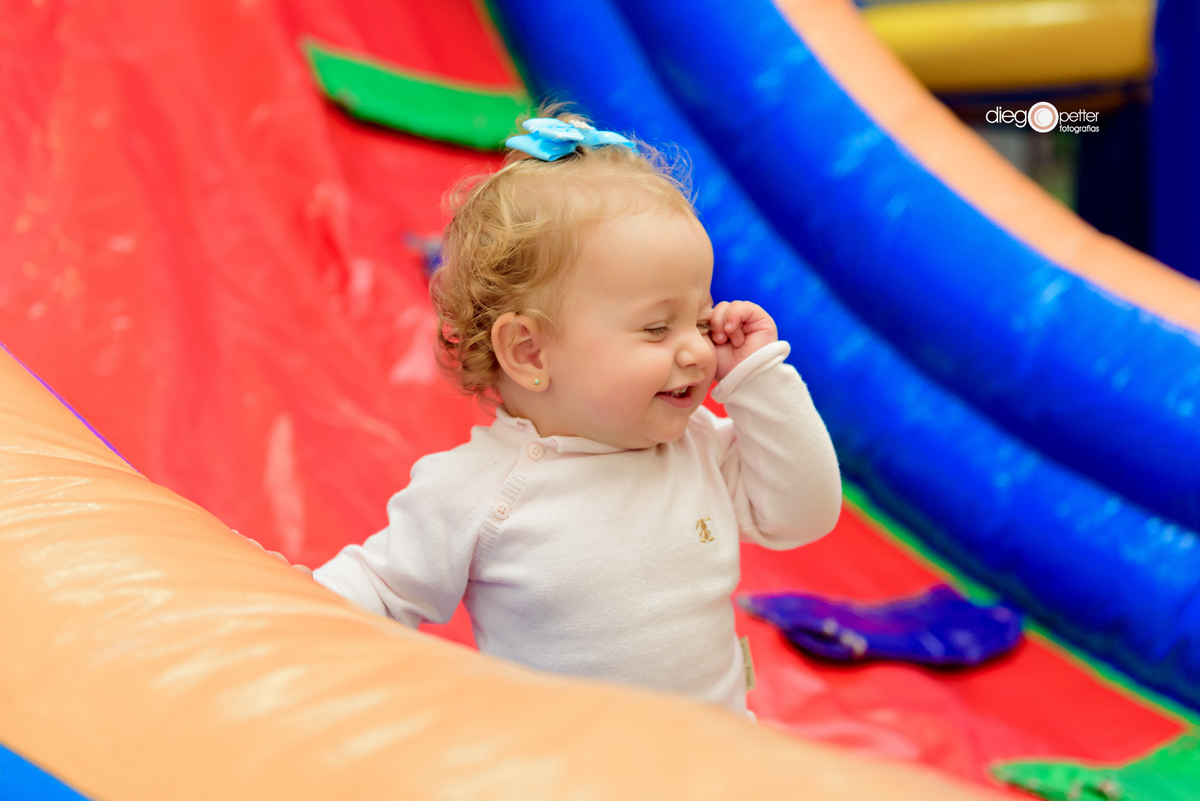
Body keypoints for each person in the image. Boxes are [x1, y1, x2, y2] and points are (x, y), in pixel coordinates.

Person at [295, 112, 842, 716]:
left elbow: (805, 515)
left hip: (715, 768)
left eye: (699, 317)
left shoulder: (700, 449)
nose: (696, 348)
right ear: (531, 352)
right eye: (658, 327)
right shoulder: (475, 491)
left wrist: (758, 381)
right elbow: (375, 590)